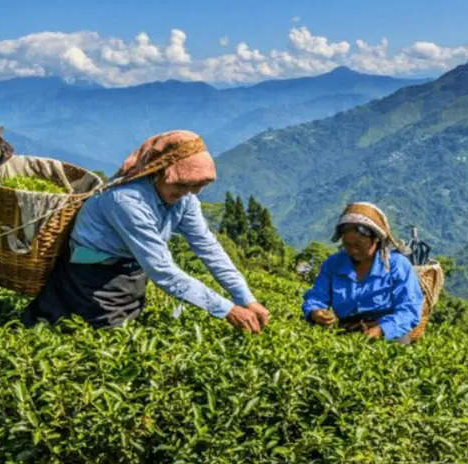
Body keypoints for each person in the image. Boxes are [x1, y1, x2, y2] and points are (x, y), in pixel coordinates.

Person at [22, 130, 269, 332]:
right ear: (159, 172)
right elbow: (163, 271)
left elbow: (208, 248)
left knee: (125, 332)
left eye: (194, 187)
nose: (185, 193)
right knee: (89, 336)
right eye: (180, 184)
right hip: (90, 277)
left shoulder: (184, 200)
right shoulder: (126, 201)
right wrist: (226, 309)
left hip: (128, 272)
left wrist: (246, 298)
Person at [301, 202, 423, 342]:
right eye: (348, 245)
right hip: (346, 329)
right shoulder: (333, 264)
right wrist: (315, 312)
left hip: (388, 332)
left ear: (376, 239)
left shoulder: (397, 266)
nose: (353, 250)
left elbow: (409, 310)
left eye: (359, 245)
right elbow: (316, 296)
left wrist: (382, 329)